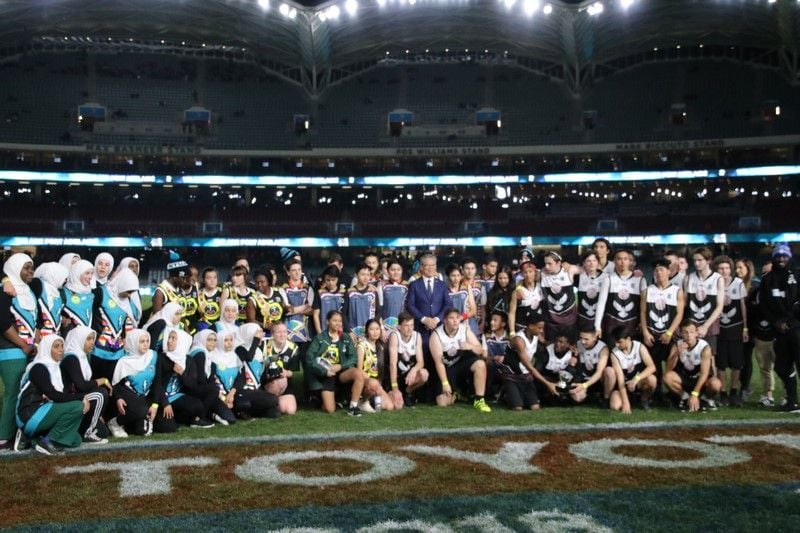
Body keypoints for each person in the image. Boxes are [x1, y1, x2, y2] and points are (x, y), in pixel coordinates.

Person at [14, 335, 88, 455]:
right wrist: (81, 397)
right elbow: (54, 395)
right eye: (56, 346)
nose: (61, 350)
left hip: (43, 411)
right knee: (77, 406)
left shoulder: (54, 367)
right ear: (47, 348)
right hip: (29, 414)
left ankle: (32, 439)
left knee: (75, 440)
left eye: (62, 346)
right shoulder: (39, 367)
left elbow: (57, 396)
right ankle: (46, 442)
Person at [0, 253, 37, 450]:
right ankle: (3, 436)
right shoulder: (5, 291)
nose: (31, 271)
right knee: (13, 391)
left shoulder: (28, 290)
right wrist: (23, 345)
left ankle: (18, 432)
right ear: (15, 269)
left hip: (27, 350)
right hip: (10, 351)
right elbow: (3, 323)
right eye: (26, 267)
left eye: (32, 267)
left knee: (24, 392)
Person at [759, 243, 800, 411]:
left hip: (797, 328)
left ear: (789, 257)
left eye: (784, 256)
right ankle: (792, 401)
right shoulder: (767, 279)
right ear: (773, 258)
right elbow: (764, 305)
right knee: (782, 366)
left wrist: (787, 320)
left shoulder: (797, 275)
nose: (781, 259)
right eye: (778, 256)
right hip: (779, 331)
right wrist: (776, 322)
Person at [429, 308, 491, 412]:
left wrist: (469, 346)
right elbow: (439, 363)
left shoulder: (464, 329)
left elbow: (480, 350)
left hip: (461, 364)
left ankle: (479, 400)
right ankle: (457, 394)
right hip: (447, 368)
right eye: (451, 318)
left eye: (457, 318)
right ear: (445, 321)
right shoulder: (436, 335)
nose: (455, 321)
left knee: (480, 364)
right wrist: (445, 383)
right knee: (442, 402)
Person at [640, 259, 685, 403]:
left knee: (672, 364)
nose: (659, 273)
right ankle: (656, 393)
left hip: (669, 335)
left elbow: (679, 314)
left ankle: (674, 394)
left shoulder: (677, 291)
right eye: (656, 270)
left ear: (669, 272)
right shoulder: (647, 291)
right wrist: (645, 332)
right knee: (654, 366)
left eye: (662, 270)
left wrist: (670, 332)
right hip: (652, 334)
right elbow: (643, 313)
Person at [305, 310, 365, 416]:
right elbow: (309, 359)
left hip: (341, 373)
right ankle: (325, 399)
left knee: (359, 373)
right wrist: (324, 371)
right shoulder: (319, 338)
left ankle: (353, 407)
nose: (338, 323)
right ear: (327, 322)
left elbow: (353, 358)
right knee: (330, 410)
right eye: (335, 321)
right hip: (327, 375)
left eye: (340, 321)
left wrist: (340, 366)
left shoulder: (345, 337)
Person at [157, 328, 216, 430]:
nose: (169, 341)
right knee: (169, 428)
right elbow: (157, 384)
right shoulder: (161, 358)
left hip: (177, 395)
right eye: (169, 338)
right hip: (162, 398)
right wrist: (165, 403)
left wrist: (182, 373)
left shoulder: (188, 360)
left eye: (173, 338)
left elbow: (193, 385)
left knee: (198, 405)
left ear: (181, 342)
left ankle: (193, 419)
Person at [61, 325, 111, 443]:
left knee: (103, 432)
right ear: (79, 339)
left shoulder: (82, 356)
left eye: (93, 339)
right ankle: (87, 433)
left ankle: (79, 429)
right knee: (100, 394)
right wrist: (102, 380)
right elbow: (81, 386)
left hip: (80, 398)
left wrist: (97, 413)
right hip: (69, 399)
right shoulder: (71, 358)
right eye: (88, 339)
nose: (92, 342)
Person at [107, 329, 161, 438]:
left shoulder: (153, 356)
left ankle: (134, 423)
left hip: (147, 396)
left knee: (161, 427)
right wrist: (118, 398)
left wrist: (155, 404)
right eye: (142, 341)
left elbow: (157, 382)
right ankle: (115, 423)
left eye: (147, 341)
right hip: (128, 394)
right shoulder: (124, 361)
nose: (146, 344)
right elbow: (116, 384)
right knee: (141, 411)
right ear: (133, 343)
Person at [738, 258, 776, 407]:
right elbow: (750, 312)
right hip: (759, 332)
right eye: (764, 273)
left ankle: (789, 395)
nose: (766, 276)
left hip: (779, 333)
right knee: (763, 365)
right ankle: (767, 395)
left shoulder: (783, 289)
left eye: (770, 272)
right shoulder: (757, 291)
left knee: (783, 365)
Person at [664, 320, 722, 412]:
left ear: (696, 333)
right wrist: (677, 353)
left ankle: (704, 399)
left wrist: (695, 393)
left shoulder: (704, 347)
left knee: (716, 384)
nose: (689, 335)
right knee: (667, 377)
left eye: (691, 332)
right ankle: (685, 398)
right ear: (681, 333)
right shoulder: (677, 345)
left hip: (701, 380)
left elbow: (704, 373)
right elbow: (668, 369)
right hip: (685, 379)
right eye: (685, 332)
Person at [714, 255, 748, 406]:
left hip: (736, 327)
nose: (724, 271)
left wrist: (745, 328)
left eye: (727, 268)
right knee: (721, 363)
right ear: (716, 270)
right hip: (719, 328)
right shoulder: (713, 283)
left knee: (736, 362)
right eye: (721, 268)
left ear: (731, 269)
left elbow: (743, 307)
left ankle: (734, 392)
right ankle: (722, 393)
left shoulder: (738, 283)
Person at [406, 252, 452, 358]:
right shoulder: (414, 285)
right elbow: (410, 305)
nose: (431, 268)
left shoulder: (442, 285)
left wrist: (436, 319)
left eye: (433, 265)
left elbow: (448, 304)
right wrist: (424, 319)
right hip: (421, 328)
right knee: (422, 357)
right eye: (427, 265)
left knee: (440, 358)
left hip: (439, 327)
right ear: (421, 267)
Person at [189, 329, 237, 425]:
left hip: (207, 392)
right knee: (213, 389)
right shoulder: (199, 354)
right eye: (209, 340)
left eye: (215, 340)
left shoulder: (209, 357)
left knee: (230, 418)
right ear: (203, 339)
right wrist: (218, 394)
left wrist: (222, 398)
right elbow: (201, 380)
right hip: (194, 391)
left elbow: (210, 380)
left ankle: (211, 414)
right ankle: (200, 417)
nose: (213, 343)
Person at [234, 323, 281, 420]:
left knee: (274, 413)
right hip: (243, 390)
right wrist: (255, 340)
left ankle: (251, 411)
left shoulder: (258, 351)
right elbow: (249, 358)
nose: (261, 337)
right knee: (273, 399)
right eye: (257, 334)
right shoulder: (239, 349)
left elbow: (260, 377)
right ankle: (243, 409)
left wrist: (271, 375)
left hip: (256, 389)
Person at [606, 326, 657, 414]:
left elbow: (652, 367)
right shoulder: (614, 354)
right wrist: (626, 403)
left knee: (652, 380)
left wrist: (636, 379)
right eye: (615, 342)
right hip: (623, 385)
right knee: (615, 406)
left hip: (638, 382)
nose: (617, 345)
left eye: (619, 342)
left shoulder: (639, 346)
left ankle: (644, 400)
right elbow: (620, 380)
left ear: (628, 339)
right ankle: (628, 399)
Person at [501, 308, 544, 411]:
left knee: (535, 407)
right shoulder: (519, 340)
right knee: (518, 408)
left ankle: (519, 396)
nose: (541, 331)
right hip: (512, 376)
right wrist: (548, 384)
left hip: (526, 376)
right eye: (539, 328)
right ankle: (506, 395)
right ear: (531, 326)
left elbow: (546, 343)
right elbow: (530, 367)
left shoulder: (536, 336)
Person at [684, 247, 725, 350]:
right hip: (691, 326)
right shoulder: (688, 278)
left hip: (710, 325)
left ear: (708, 260)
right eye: (694, 260)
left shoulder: (718, 279)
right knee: (691, 355)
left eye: (700, 260)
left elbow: (719, 306)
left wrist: (705, 326)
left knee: (710, 357)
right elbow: (684, 304)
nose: (696, 263)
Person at [387, 311, 428, 409]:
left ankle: (408, 392)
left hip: (409, 377)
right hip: (395, 377)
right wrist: (395, 388)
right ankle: (393, 391)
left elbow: (421, 362)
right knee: (398, 406)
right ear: (399, 326)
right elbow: (392, 364)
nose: (410, 328)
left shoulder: (417, 336)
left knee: (424, 374)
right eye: (406, 325)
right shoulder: (395, 336)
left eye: (412, 325)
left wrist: (413, 370)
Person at [603, 249, 642, 346]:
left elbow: (644, 305)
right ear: (614, 262)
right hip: (612, 324)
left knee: (632, 351)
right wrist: (597, 326)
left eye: (625, 259)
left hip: (632, 324)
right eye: (619, 259)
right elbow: (601, 303)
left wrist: (642, 323)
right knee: (613, 351)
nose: (622, 262)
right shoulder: (608, 279)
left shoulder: (640, 279)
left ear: (630, 261)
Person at [356, 319, 395, 413]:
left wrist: (379, 385)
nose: (375, 332)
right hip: (364, 382)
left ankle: (371, 400)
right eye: (372, 329)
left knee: (389, 406)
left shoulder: (380, 347)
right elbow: (358, 371)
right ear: (367, 331)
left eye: (377, 329)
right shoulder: (361, 346)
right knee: (373, 384)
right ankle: (362, 401)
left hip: (377, 383)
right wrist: (374, 383)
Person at [540, 251, 580, 337]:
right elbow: (525, 276)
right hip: (551, 321)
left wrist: (570, 265)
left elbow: (588, 269)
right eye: (545, 263)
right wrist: (519, 287)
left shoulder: (569, 270)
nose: (546, 266)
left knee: (569, 343)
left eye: (550, 264)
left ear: (558, 263)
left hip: (569, 319)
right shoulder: (542, 273)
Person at [262, 322, 299, 415]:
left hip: (285, 383)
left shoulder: (294, 348)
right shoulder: (264, 345)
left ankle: (273, 403)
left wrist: (286, 373)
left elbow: (294, 372)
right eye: (278, 332)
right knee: (277, 383)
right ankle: (269, 402)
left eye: (284, 332)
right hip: (267, 382)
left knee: (290, 410)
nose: (282, 335)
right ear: (272, 334)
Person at [152, 259, 199, 333]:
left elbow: (181, 316)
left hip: (177, 330)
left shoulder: (178, 288)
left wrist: (187, 332)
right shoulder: (160, 292)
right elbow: (157, 319)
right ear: (175, 277)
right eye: (183, 278)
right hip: (166, 332)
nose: (185, 281)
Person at [532, 328, 576, 404]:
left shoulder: (573, 354)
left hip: (563, 383)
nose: (557, 344)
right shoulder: (546, 352)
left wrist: (573, 363)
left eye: (561, 342)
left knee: (572, 370)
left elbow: (575, 374)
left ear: (568, 344)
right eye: (556, 341)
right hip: (547, 382)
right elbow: (537, 371)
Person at [570, 325, 610, 405]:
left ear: (594, 338)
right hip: (583, 378)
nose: (582, 341)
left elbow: (599, 372)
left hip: (597, 380)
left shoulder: (603, 349)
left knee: (610, 372)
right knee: (577, 397)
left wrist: (584, 386)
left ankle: (606, 398)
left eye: (586, 339)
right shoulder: (578, 344)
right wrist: (574, 356)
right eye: (581, 338)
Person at [280, 258, 315, 347]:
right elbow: (288, 310)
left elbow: (312, 310)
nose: (297, 272)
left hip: (306, 332)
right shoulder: (283, 288)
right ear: (288, 272)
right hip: (288, 331)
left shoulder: (308, 288)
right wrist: (305, 306)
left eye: (299, 269)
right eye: (294, 270)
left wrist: (294, 310)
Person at [345, 262, 383, 339]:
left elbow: (378, 312)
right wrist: (349, 331)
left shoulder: (373, 292)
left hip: (369, 334)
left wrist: (372, 327)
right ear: (356, 275)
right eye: (362, 274)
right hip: (354, 333)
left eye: (368, 275)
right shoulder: (349, 292)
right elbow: (343, 314)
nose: (365, 278)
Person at [576, 251, 609, 338]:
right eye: (588, 261)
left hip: (601, 318)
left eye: (594, 260)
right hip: (583, 318)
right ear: (583, 263)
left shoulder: (606, 277)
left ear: (598, 262)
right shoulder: (579, 276)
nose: (591, 263)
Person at [32, 262, 69, 337]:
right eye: (64, 277)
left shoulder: (57, 292)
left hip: (54, 337)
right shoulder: (37, 284)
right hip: (38, 336)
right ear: (55, 274)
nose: (65, 280)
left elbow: (54, 313)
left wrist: (61, 319)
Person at [482, 309, 512, 401]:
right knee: (489, 366)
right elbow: (484, 356)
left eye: (495, 320)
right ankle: (487, 394)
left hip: (506, 368)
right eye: (491, 320)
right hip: (491, 367)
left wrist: (505, 358)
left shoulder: (510, 338)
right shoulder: (486, 336)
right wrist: (494, 357)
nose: (491, 322)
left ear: (503, 324)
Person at [507, 260, 543, 335]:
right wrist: (512, 332)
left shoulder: (541, 287)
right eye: (525, 272)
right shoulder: (517, 292)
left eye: (530, 272)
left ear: (535, 272)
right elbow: (512, 313)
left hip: (537, 329)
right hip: (522, 328)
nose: (528, 275)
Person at [247, 269, 286, 338]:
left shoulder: (278, 292)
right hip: (264, 335)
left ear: (268, 281)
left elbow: (285, 309)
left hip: (280, 333)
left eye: (262, 282)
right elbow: (250, 320)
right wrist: (265, 325)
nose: (259, 285)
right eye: (257, 282)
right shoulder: (252, 299)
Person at [62, 259, 95, 332]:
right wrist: (63, 319)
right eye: (87, 273)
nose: (90, 277)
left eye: (92, 273)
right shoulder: (64, 293)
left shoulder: (91, 294)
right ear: (77, 273)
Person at [313, 265, 347, 335]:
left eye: (333, 280)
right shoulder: (320, 293)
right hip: (324, 332)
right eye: (328, 280)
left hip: (340, 333)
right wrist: (320, 334)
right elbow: (315, 314)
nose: (331, 283)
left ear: (338, 279)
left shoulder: (344, 293)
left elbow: (346, 314)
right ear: (324, 280)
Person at [380, 259, 409, 340]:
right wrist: (382, 328)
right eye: (392, 270)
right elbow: (378, 309)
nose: (396, 272)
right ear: (387, 271)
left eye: (398, 270)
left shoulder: (408, 286)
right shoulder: (382, 285)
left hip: (402, 327)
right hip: (385, 327)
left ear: (402, 270)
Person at [445, 263, 477, 335]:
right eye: (453, 276)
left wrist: (460, 318)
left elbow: (473, 310)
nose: (456, 279)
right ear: (448, 277)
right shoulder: (444, 290)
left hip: (467, 325)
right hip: (451, 326)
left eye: (458, 275)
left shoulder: (467, 288)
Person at [461, 257, 486, 338]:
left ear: (476, 270)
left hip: (476, 322)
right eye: (467, 268)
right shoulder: (457, 286)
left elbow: (483, 306)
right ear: (462, 270)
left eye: (472, 268)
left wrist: (483, 322)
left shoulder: (480, 286)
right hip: (461, 321)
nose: (470, 271)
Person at [198, 267, 222, 331]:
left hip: (220, 324)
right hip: (204, 325)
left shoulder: (222, 292)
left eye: (215, 277)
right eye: (209, 278)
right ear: (203, 280)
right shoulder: (198, 294)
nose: (212, 280)